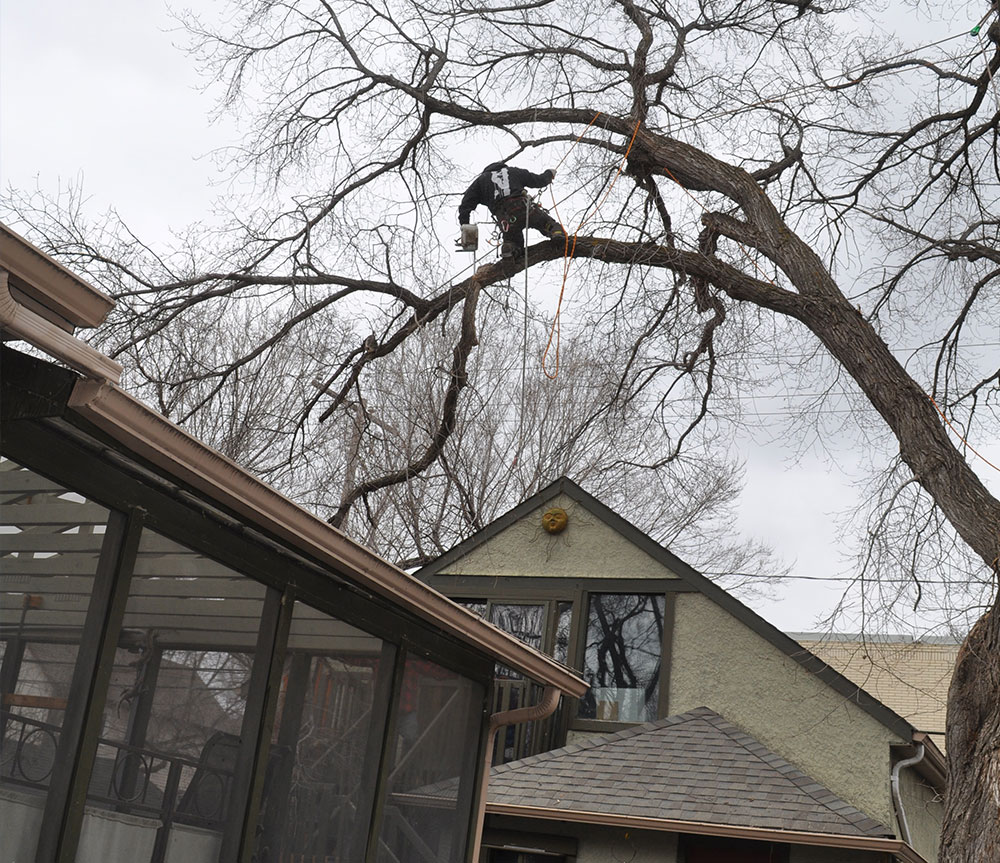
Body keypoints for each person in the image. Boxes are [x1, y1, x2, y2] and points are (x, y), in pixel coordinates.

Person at [458, 162, 566, 258]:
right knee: (545, 223)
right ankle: (556, 233)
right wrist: (549, 174)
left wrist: (465, 227)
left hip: (505, 218)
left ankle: (510, 248)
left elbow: (465, 205)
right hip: (524, 207)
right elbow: (538, 180)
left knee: (512, 239)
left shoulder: (481, 181)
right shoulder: (513, 171)